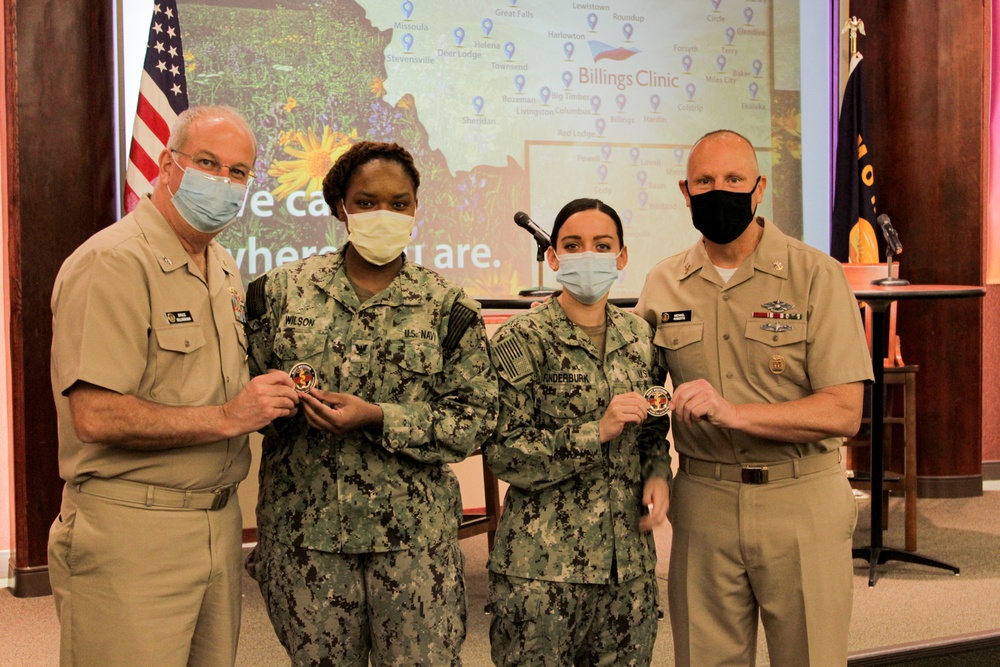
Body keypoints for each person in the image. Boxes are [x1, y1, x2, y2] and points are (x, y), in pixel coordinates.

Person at [47, 105, 301, 667]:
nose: (223, 182)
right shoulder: (112, 263)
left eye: (238, 172)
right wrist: (230, 417)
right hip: (133, 531)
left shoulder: (224, 267)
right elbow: (96, 417)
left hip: (217, 523)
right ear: (168, 165)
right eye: (208, 163)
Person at [244, 140, 499, 666]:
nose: (384, 214)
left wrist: (381, 417)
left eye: (399, 203)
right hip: (306, 536)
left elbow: (475, 420)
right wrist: (282, 407)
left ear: (415, 207)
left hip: (413, 544)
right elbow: (249, 391)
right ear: (341, 206)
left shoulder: (449, 309)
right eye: (366, 202)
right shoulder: (279, 293)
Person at [634, 130, 874, 667]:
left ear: (759, 188)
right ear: (686, 191)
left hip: (801, 500)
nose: (719, 190)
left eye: (734, 179)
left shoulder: (817, 275)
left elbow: (844, 411)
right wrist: (654, 466)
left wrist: (734, 412)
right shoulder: (664, 282)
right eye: (705, 181)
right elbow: (651, 395)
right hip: (704, 499)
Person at [484, 198, 672, 665]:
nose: (588, 254)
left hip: (627, 570)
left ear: (621, 257)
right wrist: (596, 432)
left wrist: (658, 477)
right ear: (553, 257)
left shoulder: (641, 339)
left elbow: (653, 429)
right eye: (573, 244)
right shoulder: (520, 340)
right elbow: (503, 452)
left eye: (602, 245)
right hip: (542, 573)